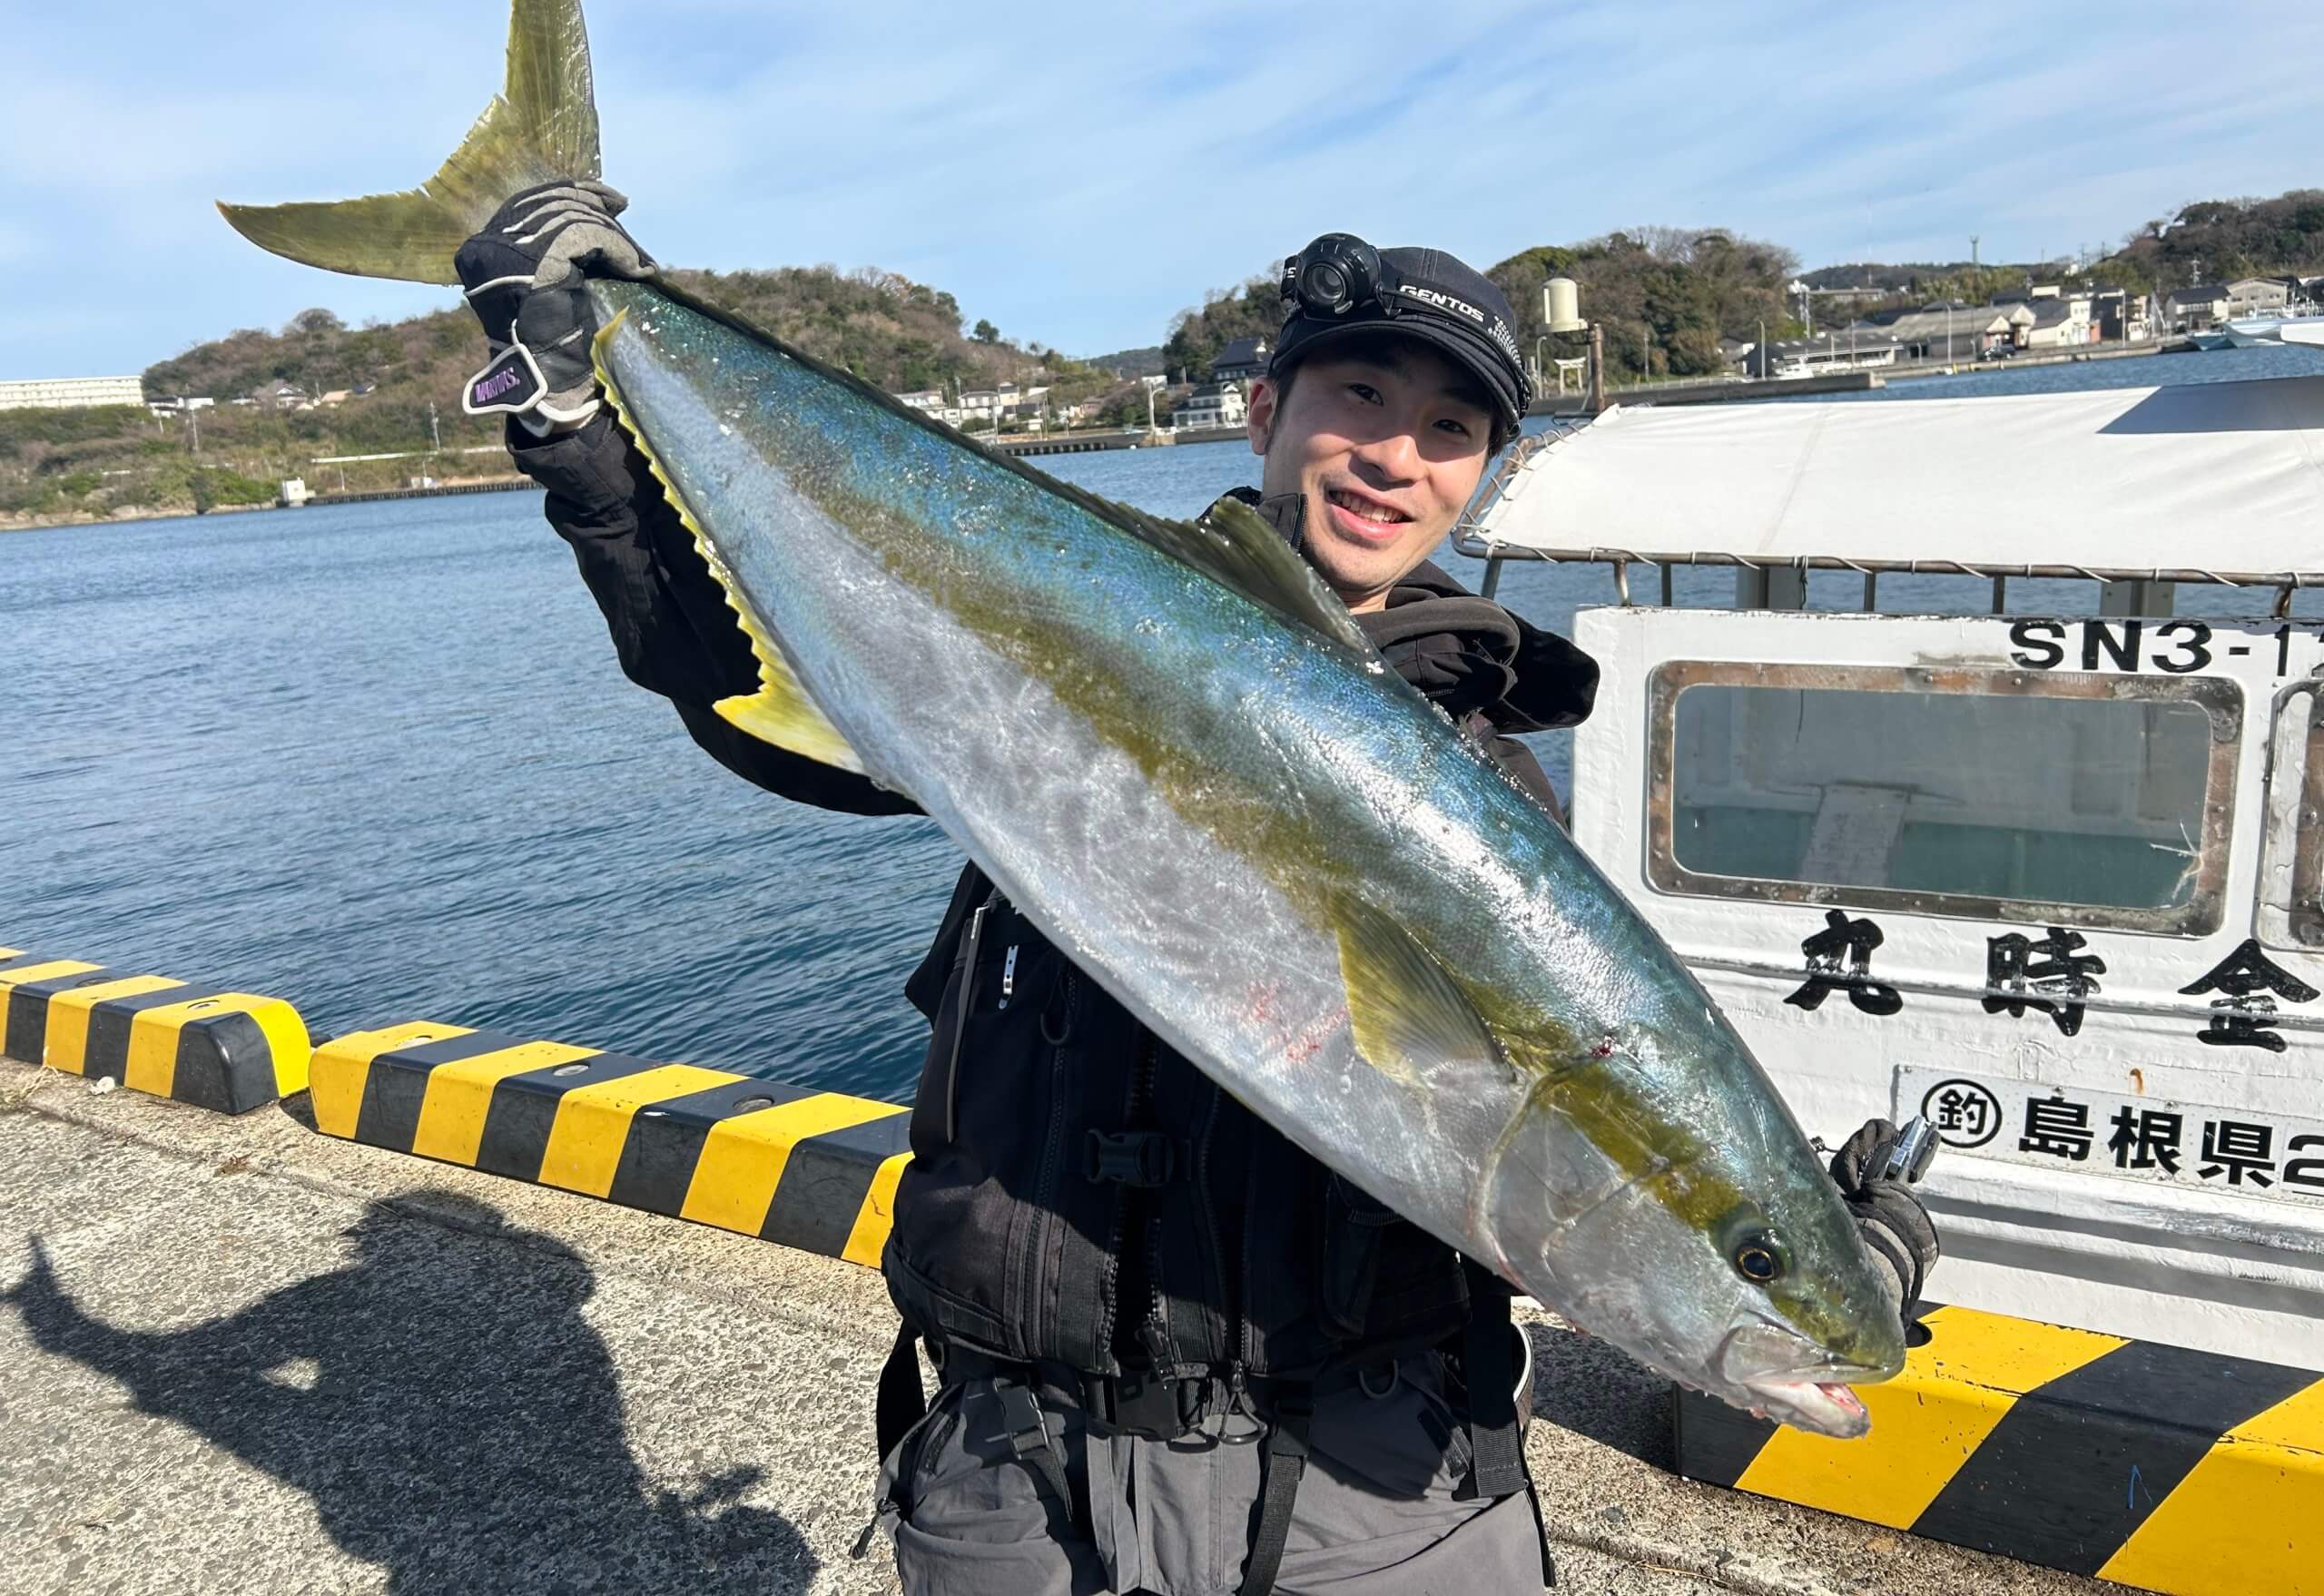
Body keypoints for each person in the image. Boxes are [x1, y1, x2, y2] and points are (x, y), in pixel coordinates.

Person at [457, 189, 1940, 1596]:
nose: (1393, 456)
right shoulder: (1081, 618)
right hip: (1021, 1468)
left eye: (1448, 429)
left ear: (1483, 473)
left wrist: (1810, 1243)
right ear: (1264, 412)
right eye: (1357, 397)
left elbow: (1595, 1097)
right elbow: (754, 695)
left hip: (1376, 1490)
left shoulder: (1486, 790)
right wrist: (587, 418)